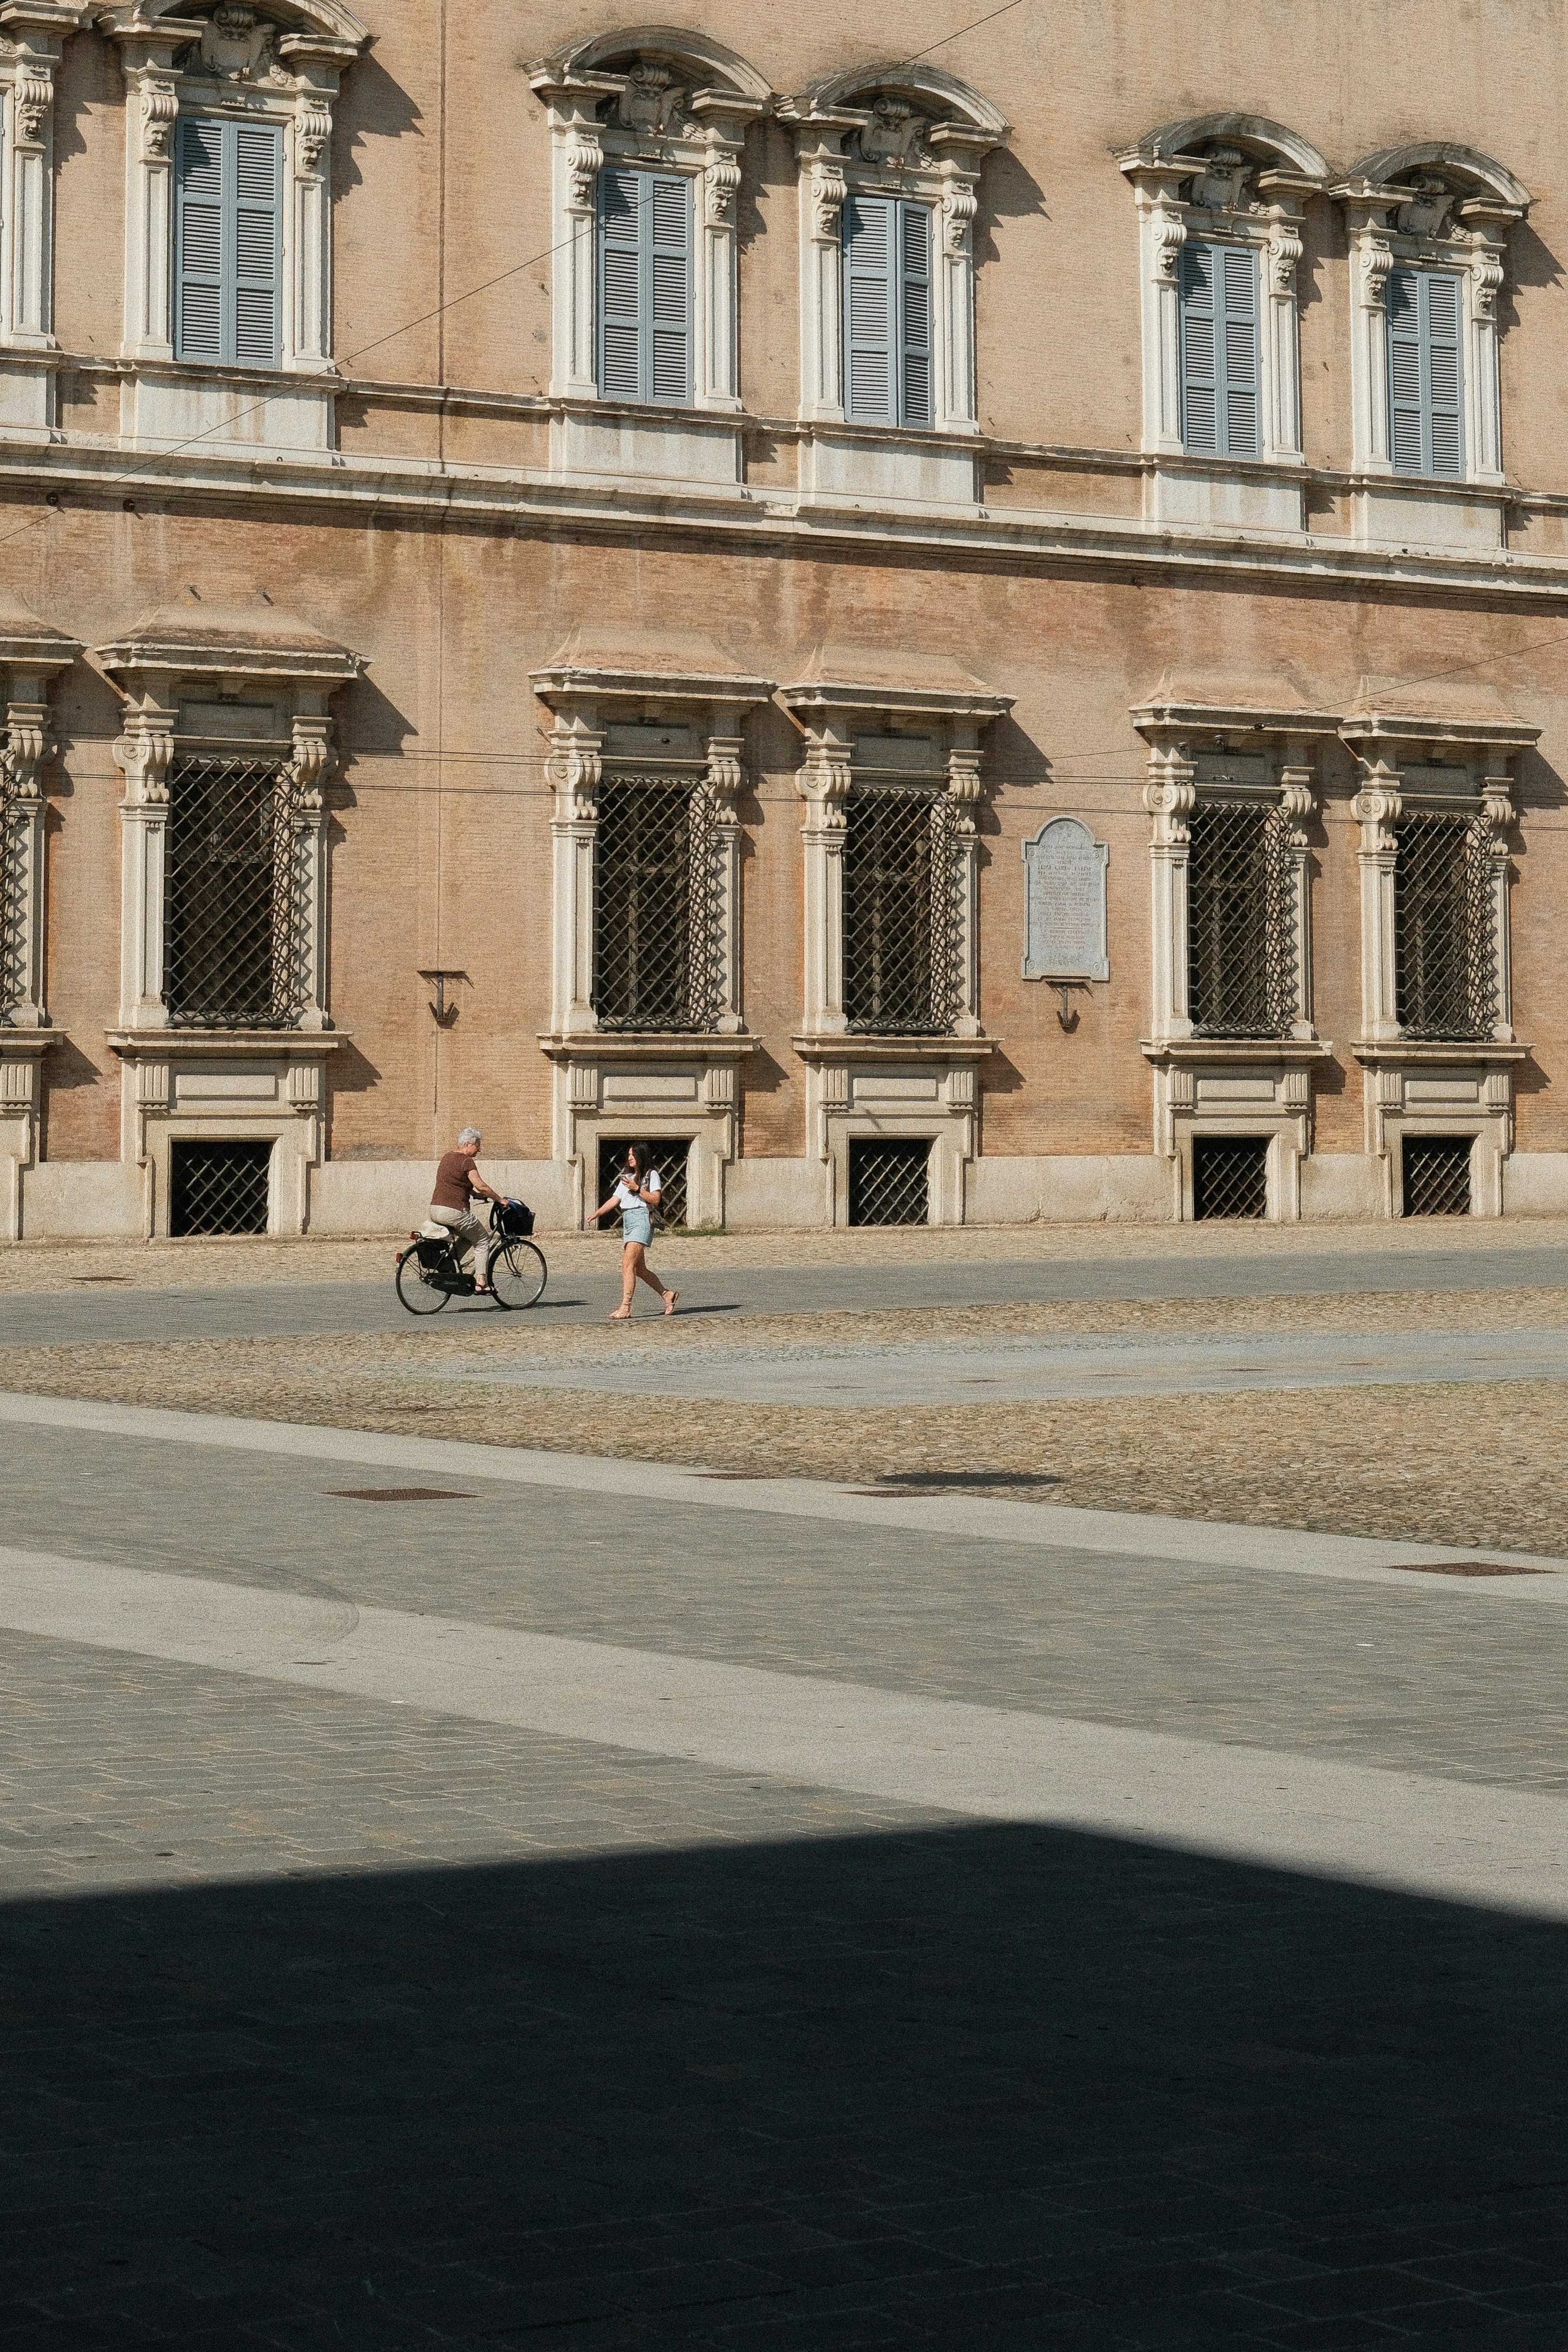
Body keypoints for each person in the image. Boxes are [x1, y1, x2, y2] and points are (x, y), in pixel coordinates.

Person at [589, 1142, 679, 1321]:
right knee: (640, 1269)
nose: (630, 1158)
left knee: (627, 1265)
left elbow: (656, 1199)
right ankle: (667, 1295)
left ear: (642, 1157)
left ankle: (626, 1307)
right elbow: (616, 1199)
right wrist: (597, 1213)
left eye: (634, 1155)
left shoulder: (650, 1175)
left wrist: (637, 1189)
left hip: (642, 1220)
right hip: (628, 1221)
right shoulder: (627, 1177)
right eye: (629, 1154)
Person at [427, 1125, 504, 1294]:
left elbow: (454, 1183)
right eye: (478, 1145)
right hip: (454, 1211)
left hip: (435, 1209)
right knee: (483, 1239)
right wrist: (499, 1199)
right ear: (468, 1144)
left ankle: (449, 1263)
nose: (480, 1149)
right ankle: (482, 1282)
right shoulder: (466, 1161)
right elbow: (482, 1185)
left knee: (469, 1235)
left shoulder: (447, 1157)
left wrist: (475, 1195)